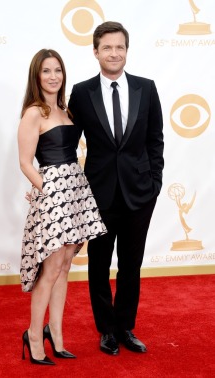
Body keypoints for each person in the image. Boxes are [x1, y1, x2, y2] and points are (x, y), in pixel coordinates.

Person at [68, 21, 164, 355]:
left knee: (130, 265)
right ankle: (106, 329)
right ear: (95, 52)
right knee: (98, 265)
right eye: (107, 47)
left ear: (127, 50)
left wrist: (155, 184)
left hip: (140, 193)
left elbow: (155, 141)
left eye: (119, 47)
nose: (114, 53)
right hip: (98, 193)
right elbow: (68, 143)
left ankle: (125, 326)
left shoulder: (146, 88)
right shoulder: (81, 93)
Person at [17, 48, 107, 365]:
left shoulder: (67, 110)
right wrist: (47, 191)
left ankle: (55, 334)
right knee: (51, 268)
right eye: (46, 71)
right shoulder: (33, 113)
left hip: (76, 190)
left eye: (58, 70)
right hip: (55, 194)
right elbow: (26, 163)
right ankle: (32, 335)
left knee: (65, 267)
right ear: (36, 76)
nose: (53, 76)